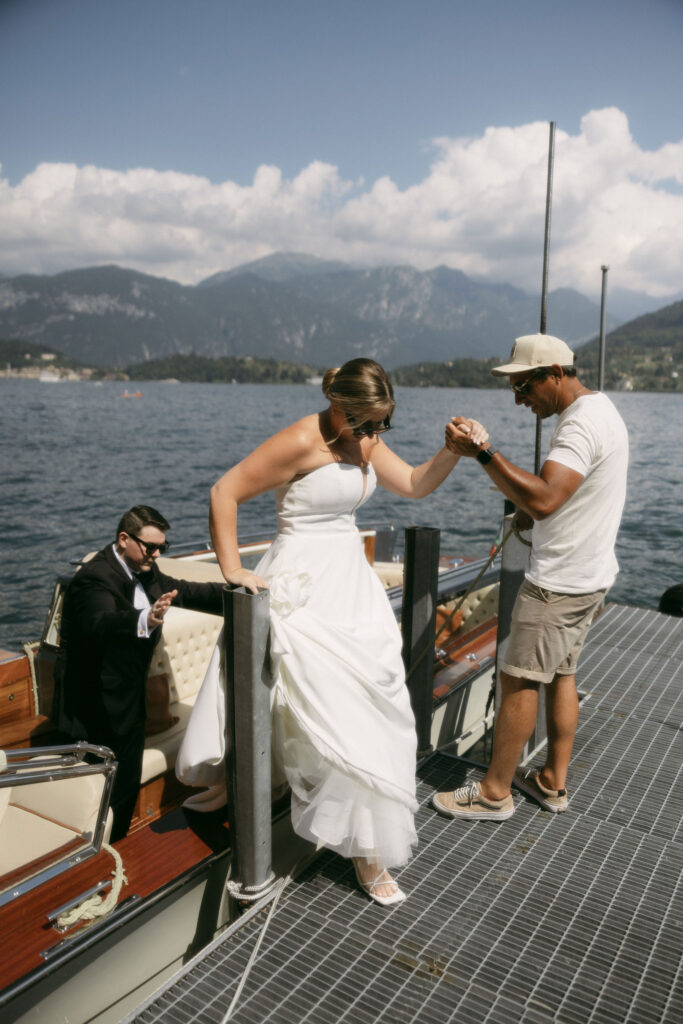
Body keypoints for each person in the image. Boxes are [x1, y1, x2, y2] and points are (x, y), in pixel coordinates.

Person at [202, 358, 487, 905]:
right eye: (368, 425)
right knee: (339, 714)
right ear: (340, 408)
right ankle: (364, 854)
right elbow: (224, 492)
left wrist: (454, 451)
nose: (376, 435)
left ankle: (361, 837)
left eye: (385, 425)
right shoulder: (300, 441)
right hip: (302, 589)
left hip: (351, 589)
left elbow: (414, 484)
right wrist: (234, 571)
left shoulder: (365, 438)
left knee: (381, 710)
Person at [433, 333, 628, 821]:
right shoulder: (600, 410)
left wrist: (482, 452)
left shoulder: (580, 425)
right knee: (561, 673)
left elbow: (544, 498)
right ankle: (551, 782)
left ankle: (495, 792)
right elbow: (560, 499)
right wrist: (533, 513)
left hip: (558, 585)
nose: (519, 400)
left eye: (524, 387)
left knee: (518, 677)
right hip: (590, 576)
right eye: (514, 390)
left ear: (556, 374)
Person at [53, 505, 224, 841]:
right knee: (94, 792)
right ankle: (86, 859)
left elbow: (185, 590)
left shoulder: (147, 570)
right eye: (150, 547)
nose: (157, 554)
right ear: (124, 539)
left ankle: (114, 850)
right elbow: (101, 623)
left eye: (163, 548)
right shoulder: (94, 577)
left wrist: (238, 594)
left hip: (128, 699)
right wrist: (145, 619)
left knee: (124, 786)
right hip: (94, 705)